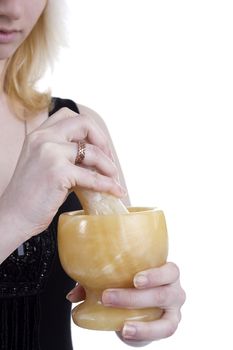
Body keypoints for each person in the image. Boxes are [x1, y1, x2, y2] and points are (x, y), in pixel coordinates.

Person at [0, 1, 186, 349]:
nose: (11, 8)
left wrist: (143, 303)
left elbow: (123, 280)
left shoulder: (73, 127)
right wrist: (13, 218)